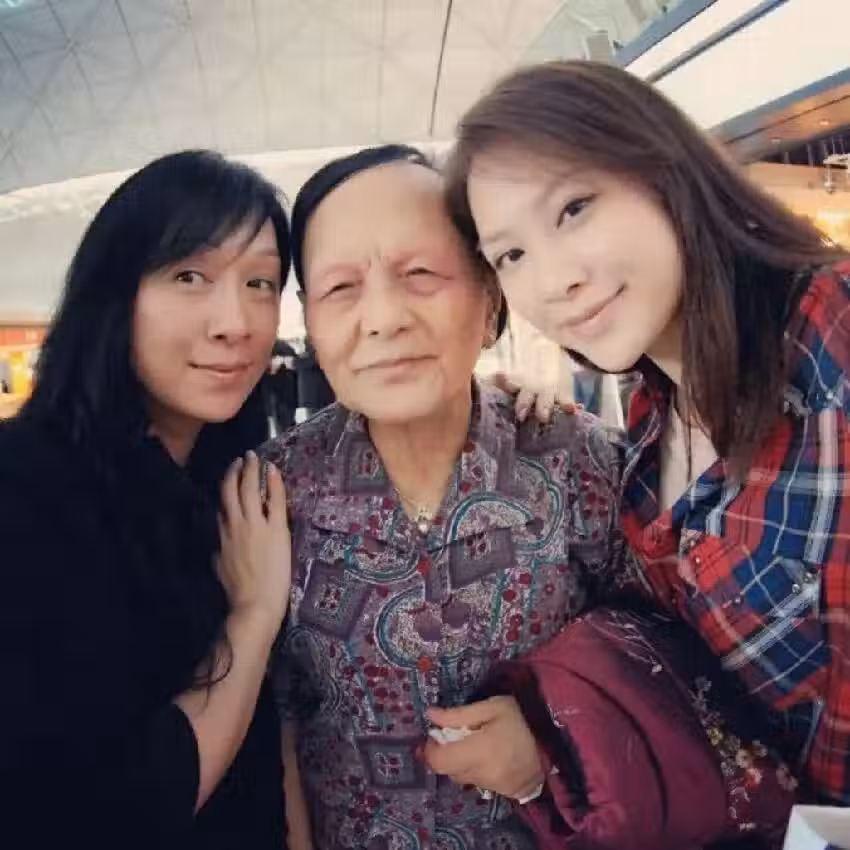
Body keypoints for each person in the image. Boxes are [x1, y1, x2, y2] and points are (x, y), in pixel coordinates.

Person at [259, 144, 795, 850]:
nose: (383, 317)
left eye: (421, 274)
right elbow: (274, 717)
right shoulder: (269, 496)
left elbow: (679, 670)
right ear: (309, 320)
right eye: (340, 288)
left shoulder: (582, 462)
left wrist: (551, 745)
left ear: (490, 300)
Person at [444, 59, 850, 805]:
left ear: (664, 170)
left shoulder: (833, 337)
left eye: (573, 208)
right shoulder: (646, 425)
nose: (554, 280)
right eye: (511, 255)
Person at [0, 150, 293, 849]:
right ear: (114, 294)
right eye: (190, 276)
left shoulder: (237, 484)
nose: (236, 323)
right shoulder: (25, 494)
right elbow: (106, 814)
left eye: (260, 282)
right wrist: (251, 620)